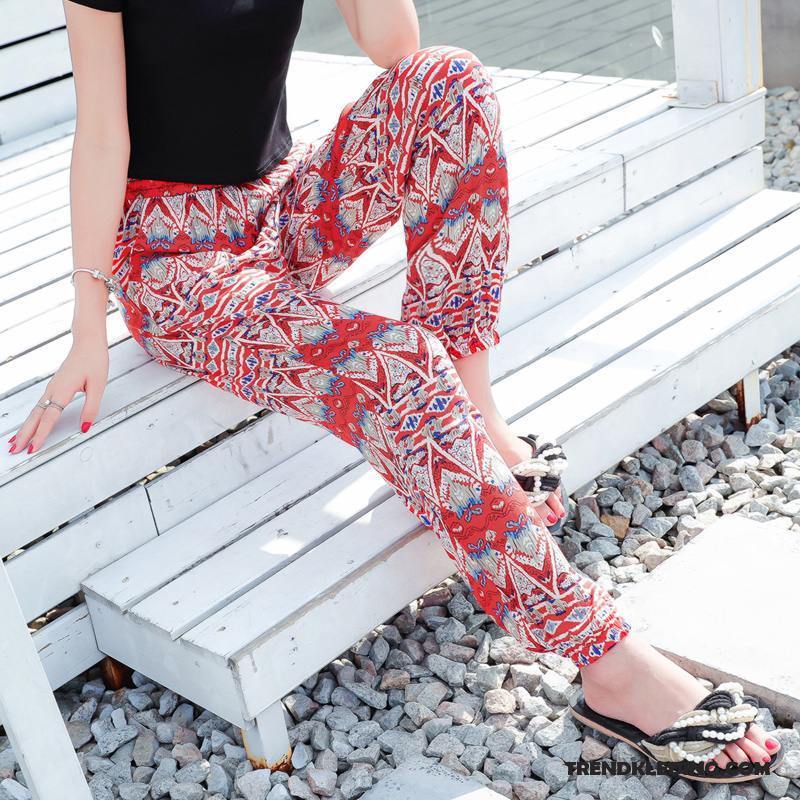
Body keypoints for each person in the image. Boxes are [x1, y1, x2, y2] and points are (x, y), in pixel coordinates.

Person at [9, 0, 783, 781]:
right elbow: (103, 134)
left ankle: (475, 417)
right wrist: (86, 319)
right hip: (177, 262)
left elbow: (395, 46)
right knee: (398, 364)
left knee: (449, 81)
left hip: (277, 209)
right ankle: (604, 656)